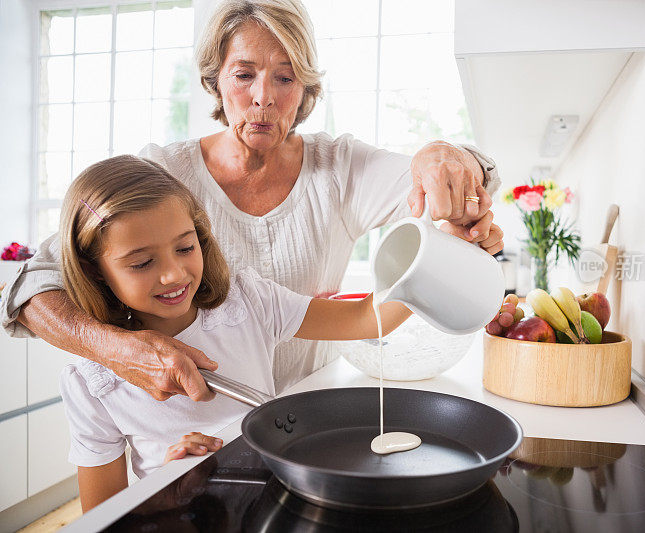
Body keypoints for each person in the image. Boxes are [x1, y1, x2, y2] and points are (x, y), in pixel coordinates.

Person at [1, 0, 503, 402]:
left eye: (284, 78)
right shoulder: (164, 175)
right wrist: (117, 350)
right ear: (216, 79)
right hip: (194, 429)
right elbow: (29, 283)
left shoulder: (340, 167)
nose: (263, 97)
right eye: (244, 75)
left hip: (309, 408)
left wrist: (448, 159)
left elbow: (446, 185)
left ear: (304, 87)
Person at [59, 155, 412, 511]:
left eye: (185, 247)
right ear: (95, 270)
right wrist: (168, 487)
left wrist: (432, 267)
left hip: (273, 508)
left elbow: (365, 318)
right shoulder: (93, 381)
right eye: (142, 263)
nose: (174, 274)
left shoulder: (248, 303)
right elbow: (101, 517)